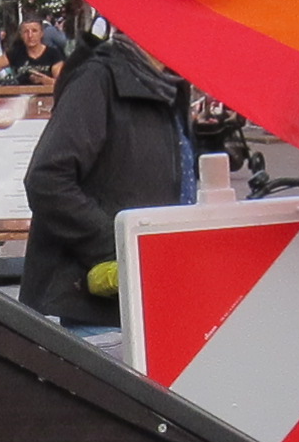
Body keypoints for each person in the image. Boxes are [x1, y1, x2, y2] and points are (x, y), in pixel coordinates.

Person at [19, 27, 192, 342]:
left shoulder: (168, 85)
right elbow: (47, 179)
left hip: (151, 302)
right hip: (96, 312)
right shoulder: (97, 79)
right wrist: (119, 247)